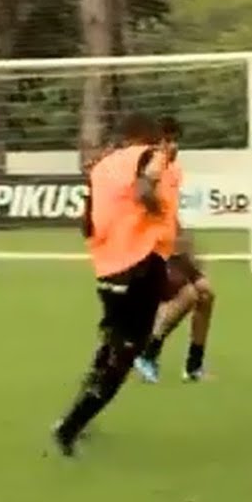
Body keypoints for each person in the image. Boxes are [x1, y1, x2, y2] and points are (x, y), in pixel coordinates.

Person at [52, 113, 176, 456]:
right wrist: (155, 209)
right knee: (125, 353)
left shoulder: (102, 166)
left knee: (112, 343)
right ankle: (70, 426)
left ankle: (76, 415)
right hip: (140, 264)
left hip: (108, 267)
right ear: (151, 136)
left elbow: (86, 223)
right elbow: (145, 187)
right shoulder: (151, 156)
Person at [134, 116, 218, 384]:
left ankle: (193, 366)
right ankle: (147, 353)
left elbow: (170, 213)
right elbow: (142, 193)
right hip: (152, 249)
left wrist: (186, 243)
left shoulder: (174, 170)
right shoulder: (152, 166)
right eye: (166, 140)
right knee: (190, 295)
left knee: (205, 294)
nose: (173, 146)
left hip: (172, 248)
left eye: (175, 140)